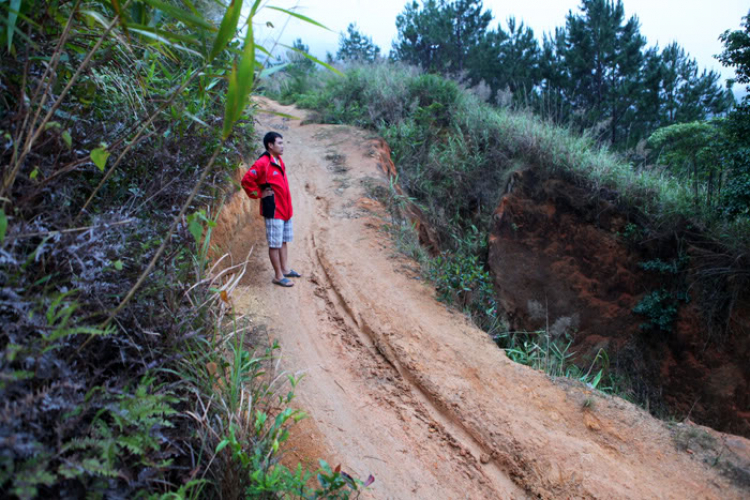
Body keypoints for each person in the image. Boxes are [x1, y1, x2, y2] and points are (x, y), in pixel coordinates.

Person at [241, 131, 301, 287]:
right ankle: (278, 276)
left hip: (285, 209)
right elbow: (246, 180)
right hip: (273, 210)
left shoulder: (279, 160)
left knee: (283, 241)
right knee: (275, 244)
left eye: (282, 143)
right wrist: (259, 193)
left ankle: (285, 269)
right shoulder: (262, 163)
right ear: (270, 145)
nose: (282, 146)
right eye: (279, 143)